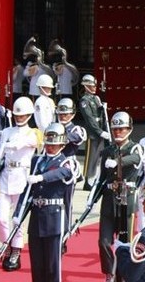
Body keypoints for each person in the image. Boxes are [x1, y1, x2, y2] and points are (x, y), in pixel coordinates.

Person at [15, 123, 74, 282]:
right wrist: (18, 213)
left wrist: (42, 177)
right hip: (37, 216)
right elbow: (27, 190)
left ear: (62, 144)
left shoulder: (66, 161)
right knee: (37, 264)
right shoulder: (37, 161)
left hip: (55, 217)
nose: (50, 147)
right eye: (48, 144)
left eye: (54, 145)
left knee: (52, 267)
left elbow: (64, 173)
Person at [0, 96, 41, 271]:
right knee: (0, 217)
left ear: (29, 115)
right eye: (17, 115)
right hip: (6, 176)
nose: (19, 117)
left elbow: (30, 142)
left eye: (23, 114)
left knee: (17, 219)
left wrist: (15, 144)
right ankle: (6, 244)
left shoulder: (34, 132)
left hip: (22, 177)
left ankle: (16, 250)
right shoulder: (6, 132)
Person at [97, 111, 143, 282]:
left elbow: (137, 158)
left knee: (125, 242)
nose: (118, 132)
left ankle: (123, 275)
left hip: (126, 199)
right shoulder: (107, 150)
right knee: (104, 241)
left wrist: (118, 161)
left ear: (129, 129)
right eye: (115, 129)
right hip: (109, 199)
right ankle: (110, 273)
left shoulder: (134, 147)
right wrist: (92, 197)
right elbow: (102, 179)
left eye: (122, 129)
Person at [56, 98, 87, 239]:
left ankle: (65, 231)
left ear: (73, 115)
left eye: (66, 114)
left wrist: (58, 135)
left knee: (66, 201)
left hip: (68, 168)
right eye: (61, 114)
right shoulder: (54, 127)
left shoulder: (75, 129)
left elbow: (79, 137)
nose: (62, 116)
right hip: (53, 167)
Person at [79, 74, 110, 191]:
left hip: (100, 130)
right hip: (93, 133)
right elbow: (89, 118)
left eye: (94, 86)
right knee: (91, 158)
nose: (94, 88)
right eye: (92, 86)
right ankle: (88, 181)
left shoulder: (96, 98)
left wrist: (102, 108)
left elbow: (101, 116)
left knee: (98, 158)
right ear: (86, 86)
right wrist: (99, 131)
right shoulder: (84, 101)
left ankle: (94, 180)